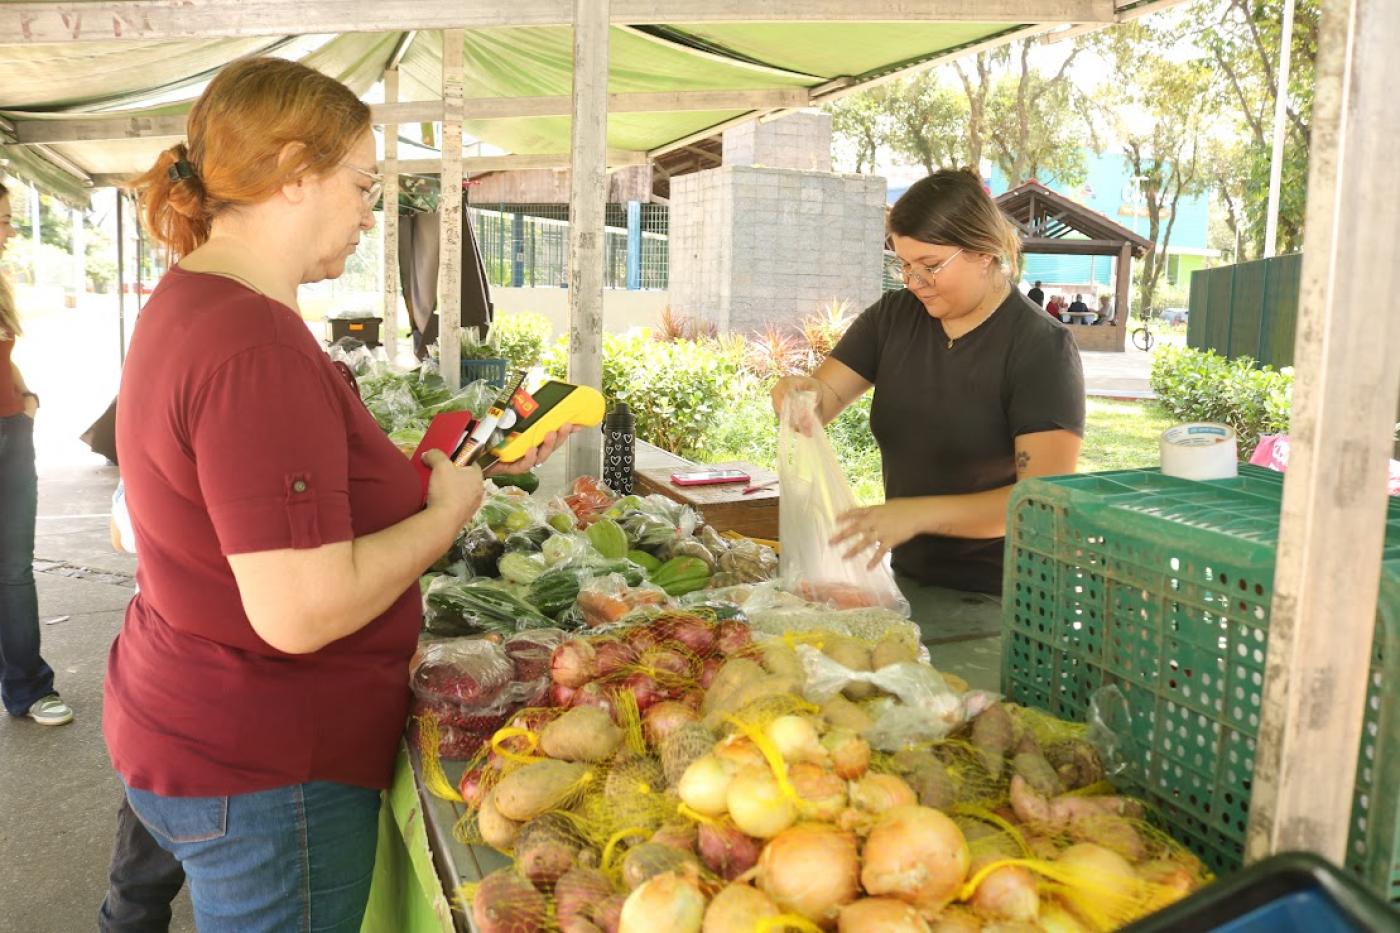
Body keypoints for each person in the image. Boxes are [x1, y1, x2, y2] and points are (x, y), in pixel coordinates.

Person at [108, 57, 568, 932]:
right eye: (361, 183)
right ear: (293, 172)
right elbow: (300, 610)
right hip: (268, 769)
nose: (368, 211)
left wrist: (409, 470)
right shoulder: (257, 347)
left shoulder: (198, 300)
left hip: (192, 717)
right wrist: (443, 516)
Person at [771, 168, 1084, 611]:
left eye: (931, 267)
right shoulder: (895, 318)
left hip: (1009, 595)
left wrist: (918, 514)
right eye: (905, 266)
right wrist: (798, 396)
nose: (915, 283)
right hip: (913, 580)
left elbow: (1042, 504)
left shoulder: (1040, 349)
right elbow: (824, 397)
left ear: (984, 252)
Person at [0, 179, 74, 728]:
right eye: (3, 219)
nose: (10, 231)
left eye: (9, 219)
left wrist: (25, 401)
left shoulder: (2, 284)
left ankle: (27, 688)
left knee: (14, 571)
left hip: (10, 435)